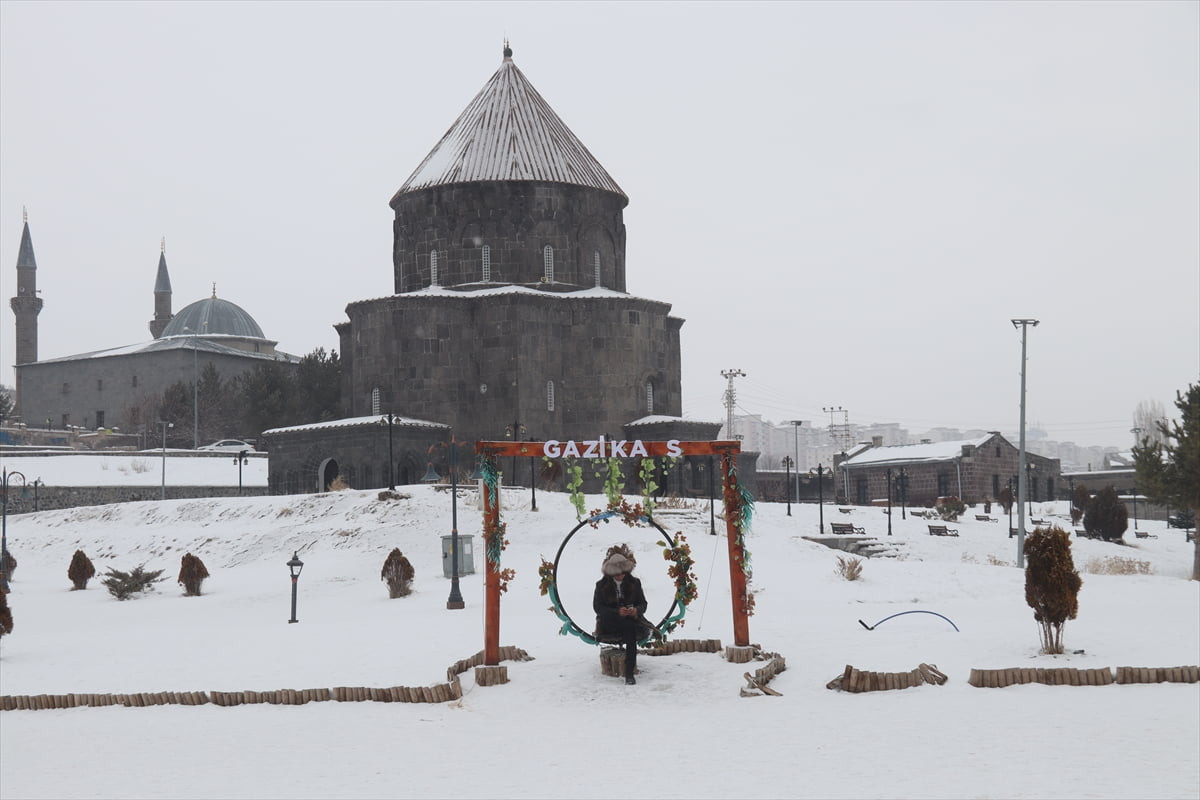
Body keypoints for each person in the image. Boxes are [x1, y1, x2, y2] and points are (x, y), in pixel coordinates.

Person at [593, 551, 648, 685]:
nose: (621, 576)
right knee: (629, 629)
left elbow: (643, 604)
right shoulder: (601, 585)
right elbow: (598, 608)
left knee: (630, 629)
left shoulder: (634, 583)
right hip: (609, 622)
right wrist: (616, 612)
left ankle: (629, 672)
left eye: (623, 573)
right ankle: (629, 673)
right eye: (617, 574)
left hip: (631, 620)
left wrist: (635, 610)